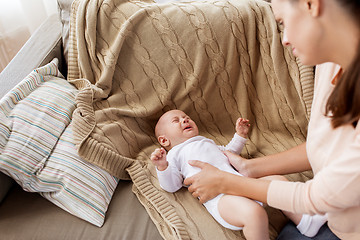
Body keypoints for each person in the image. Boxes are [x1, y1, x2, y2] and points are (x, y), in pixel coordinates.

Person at [183, 0, 360, 239]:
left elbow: (316, 196)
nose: (285, 39)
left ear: (311, 5)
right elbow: (330, 147)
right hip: (329, 217)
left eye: (283, 22)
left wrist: (226, 183)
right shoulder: (331, 61)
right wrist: (249, 167)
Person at [151, 109, 327, 240]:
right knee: (255, 214)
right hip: (222, 199)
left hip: (242, 183)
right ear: (165, 140)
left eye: (186, 117)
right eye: (177, 120)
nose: (184, 120)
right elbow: (172, 185)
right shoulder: (174, 155)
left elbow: (230, 153)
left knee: (279, 181)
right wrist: (162, 167)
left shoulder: (206, 142)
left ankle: (305, 221)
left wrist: (240, 136)